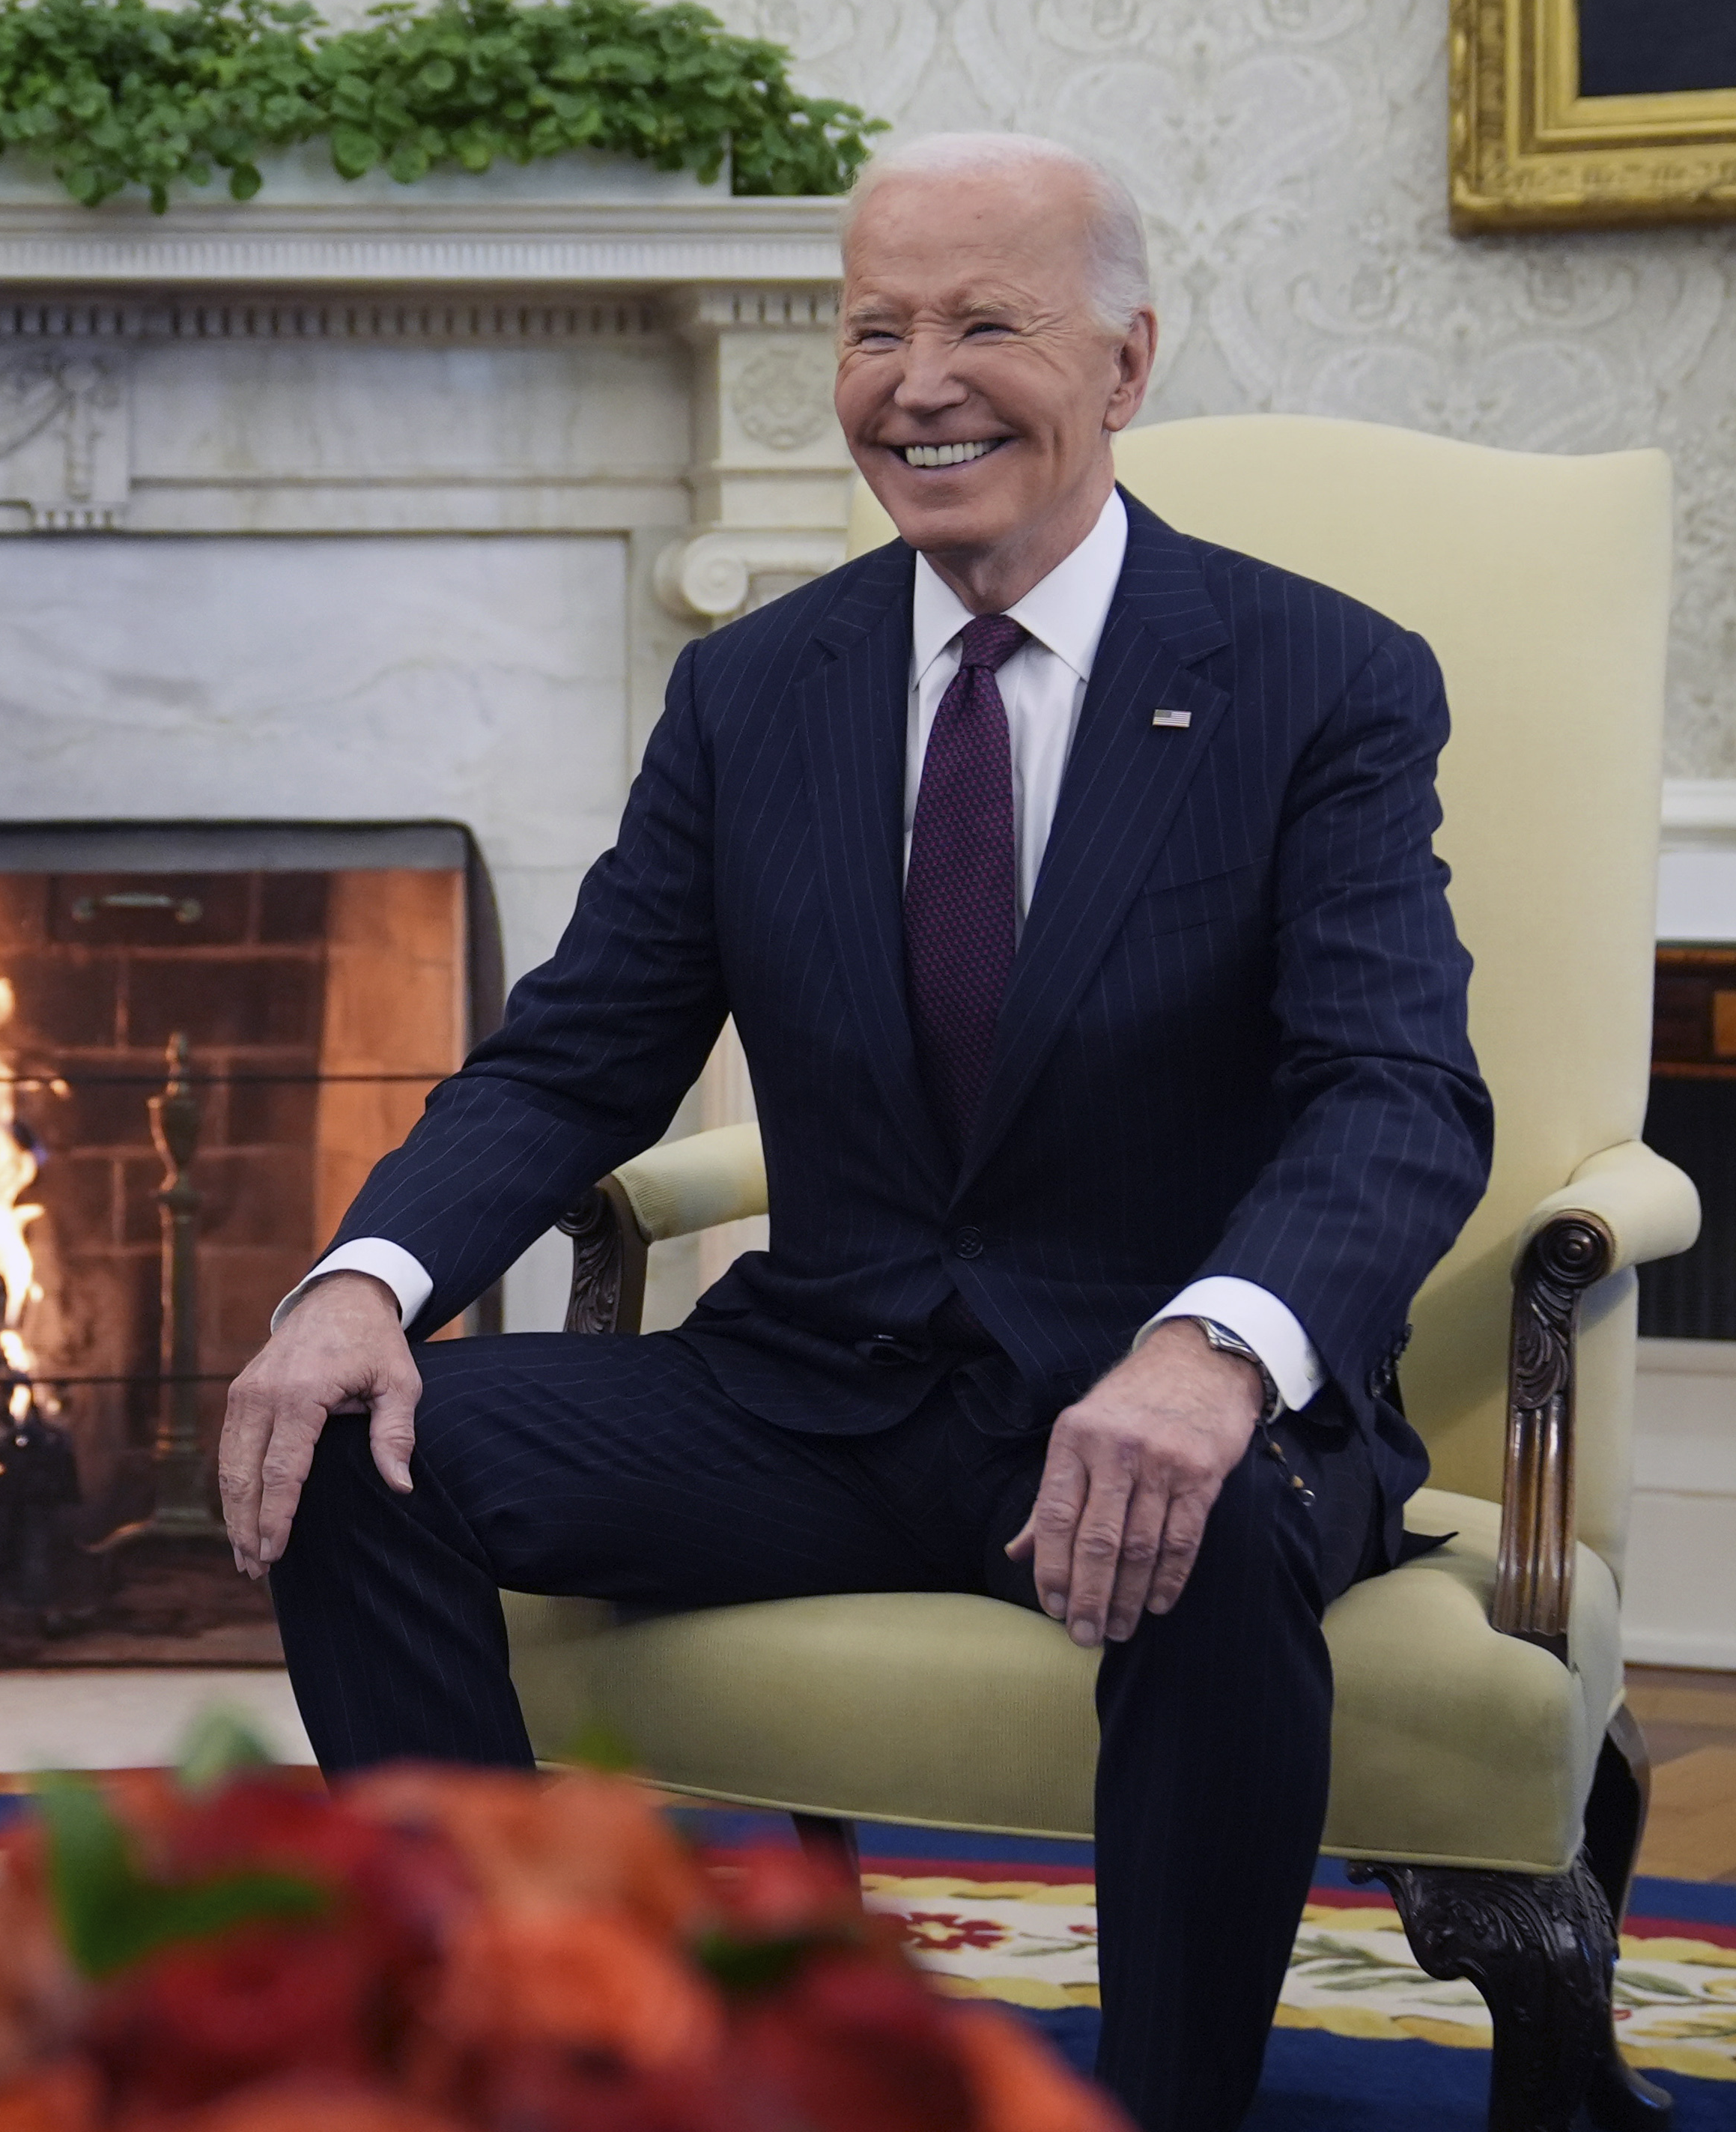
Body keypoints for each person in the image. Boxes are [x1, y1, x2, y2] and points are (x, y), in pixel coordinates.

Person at [219, 131, 1490, 2132]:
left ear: (1130, 362)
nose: (920, 381)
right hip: (825, 1390)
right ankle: (502, 2053)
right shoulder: (755, 691)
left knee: (1216, 1522)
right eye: (875, 327)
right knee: (366, 1450)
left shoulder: (1317, 679)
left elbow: (1396, 1086)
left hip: (1163, 1398)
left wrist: (1213, 1347)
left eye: (989, 322)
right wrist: (360, 1283)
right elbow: (577, 1059)